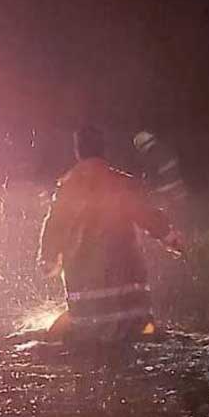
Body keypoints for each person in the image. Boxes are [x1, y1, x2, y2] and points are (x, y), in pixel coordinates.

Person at [38, 126, 183, 356]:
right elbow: (145, 212)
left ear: (78, 152)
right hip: (128, 293)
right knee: (137, 335)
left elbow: (53, 226)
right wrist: (169, 237)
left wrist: (48, 259)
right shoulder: (120, 183)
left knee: (87, 337)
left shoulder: (66, 188)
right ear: (103, 151)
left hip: (85, 298)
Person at [132, 130, 187, 212]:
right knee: (183, 214)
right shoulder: (166, 149)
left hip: (165, 195)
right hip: (179, 190)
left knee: (170, 219)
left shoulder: (150, 156)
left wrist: (146, 187)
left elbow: (150, 179)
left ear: (142, 146)